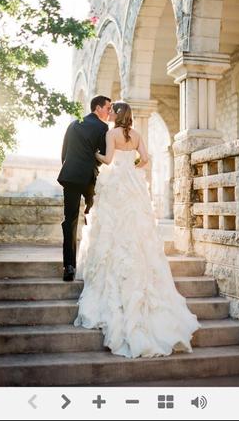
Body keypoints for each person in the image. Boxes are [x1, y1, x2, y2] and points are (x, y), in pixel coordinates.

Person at [72, 101, 200, 358]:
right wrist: (132, 166)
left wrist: (94, 155)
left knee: (112, 228)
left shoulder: (111, 134)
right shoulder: (137, 135)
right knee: (137, 229)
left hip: (116, 182)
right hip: (133, 183)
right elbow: (146, 159)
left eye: (112, 111)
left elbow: (108, 159)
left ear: (117, 115)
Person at [57, 95, 112, 282]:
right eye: (108, 108)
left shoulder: (74, 124)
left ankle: (69, 266)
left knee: (69, 220)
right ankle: (91, 263)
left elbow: (64, 153)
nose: (109, 112)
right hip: (89, 178)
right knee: (92, 219)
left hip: (70, 176)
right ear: (98, 108)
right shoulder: (102, 127)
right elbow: (104, 155)